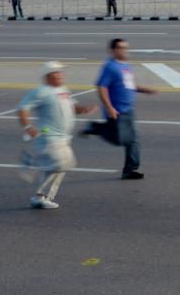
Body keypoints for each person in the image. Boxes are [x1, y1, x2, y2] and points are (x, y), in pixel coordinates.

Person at [17, 61, 96, 209]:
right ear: (47, 76)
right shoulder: (41, 91)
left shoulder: (63, 89)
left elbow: (72, 107)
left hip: (63, 137)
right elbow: (22, 109)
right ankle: (34, 163)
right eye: (57, 72)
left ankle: (41, 197)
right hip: (48, 135)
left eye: (61, 72)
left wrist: (83, 109)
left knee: (60, 167)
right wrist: (28, 126)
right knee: (62, 164)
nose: (61, 75)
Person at [81, 39, 159, 179]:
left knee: (133, 140)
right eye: (121, 48)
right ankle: (95, 128)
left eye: (126, 48)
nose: (124, 51)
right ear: (112, 50)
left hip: (128, 110)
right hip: (117, 111)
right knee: (120, 140)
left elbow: (129, 85)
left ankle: (129, 170)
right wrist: (109, 107)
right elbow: (102, 87)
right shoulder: (110, 67)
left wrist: (144, 89)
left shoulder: (126, 66)